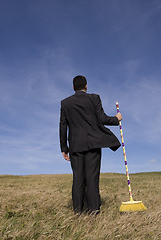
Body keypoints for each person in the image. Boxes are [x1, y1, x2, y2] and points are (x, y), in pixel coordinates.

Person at [59, 75, 122, 214]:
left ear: (73, 87)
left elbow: (63, 126)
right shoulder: (94, 98)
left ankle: (77, 211)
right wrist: (116, 119)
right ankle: (94, 211)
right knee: (92, 178)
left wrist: (64, 148)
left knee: (78, 178)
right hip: (93, 144)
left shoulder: (65, 103)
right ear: (86, 86)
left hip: (75, 146)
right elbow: (102, 119)